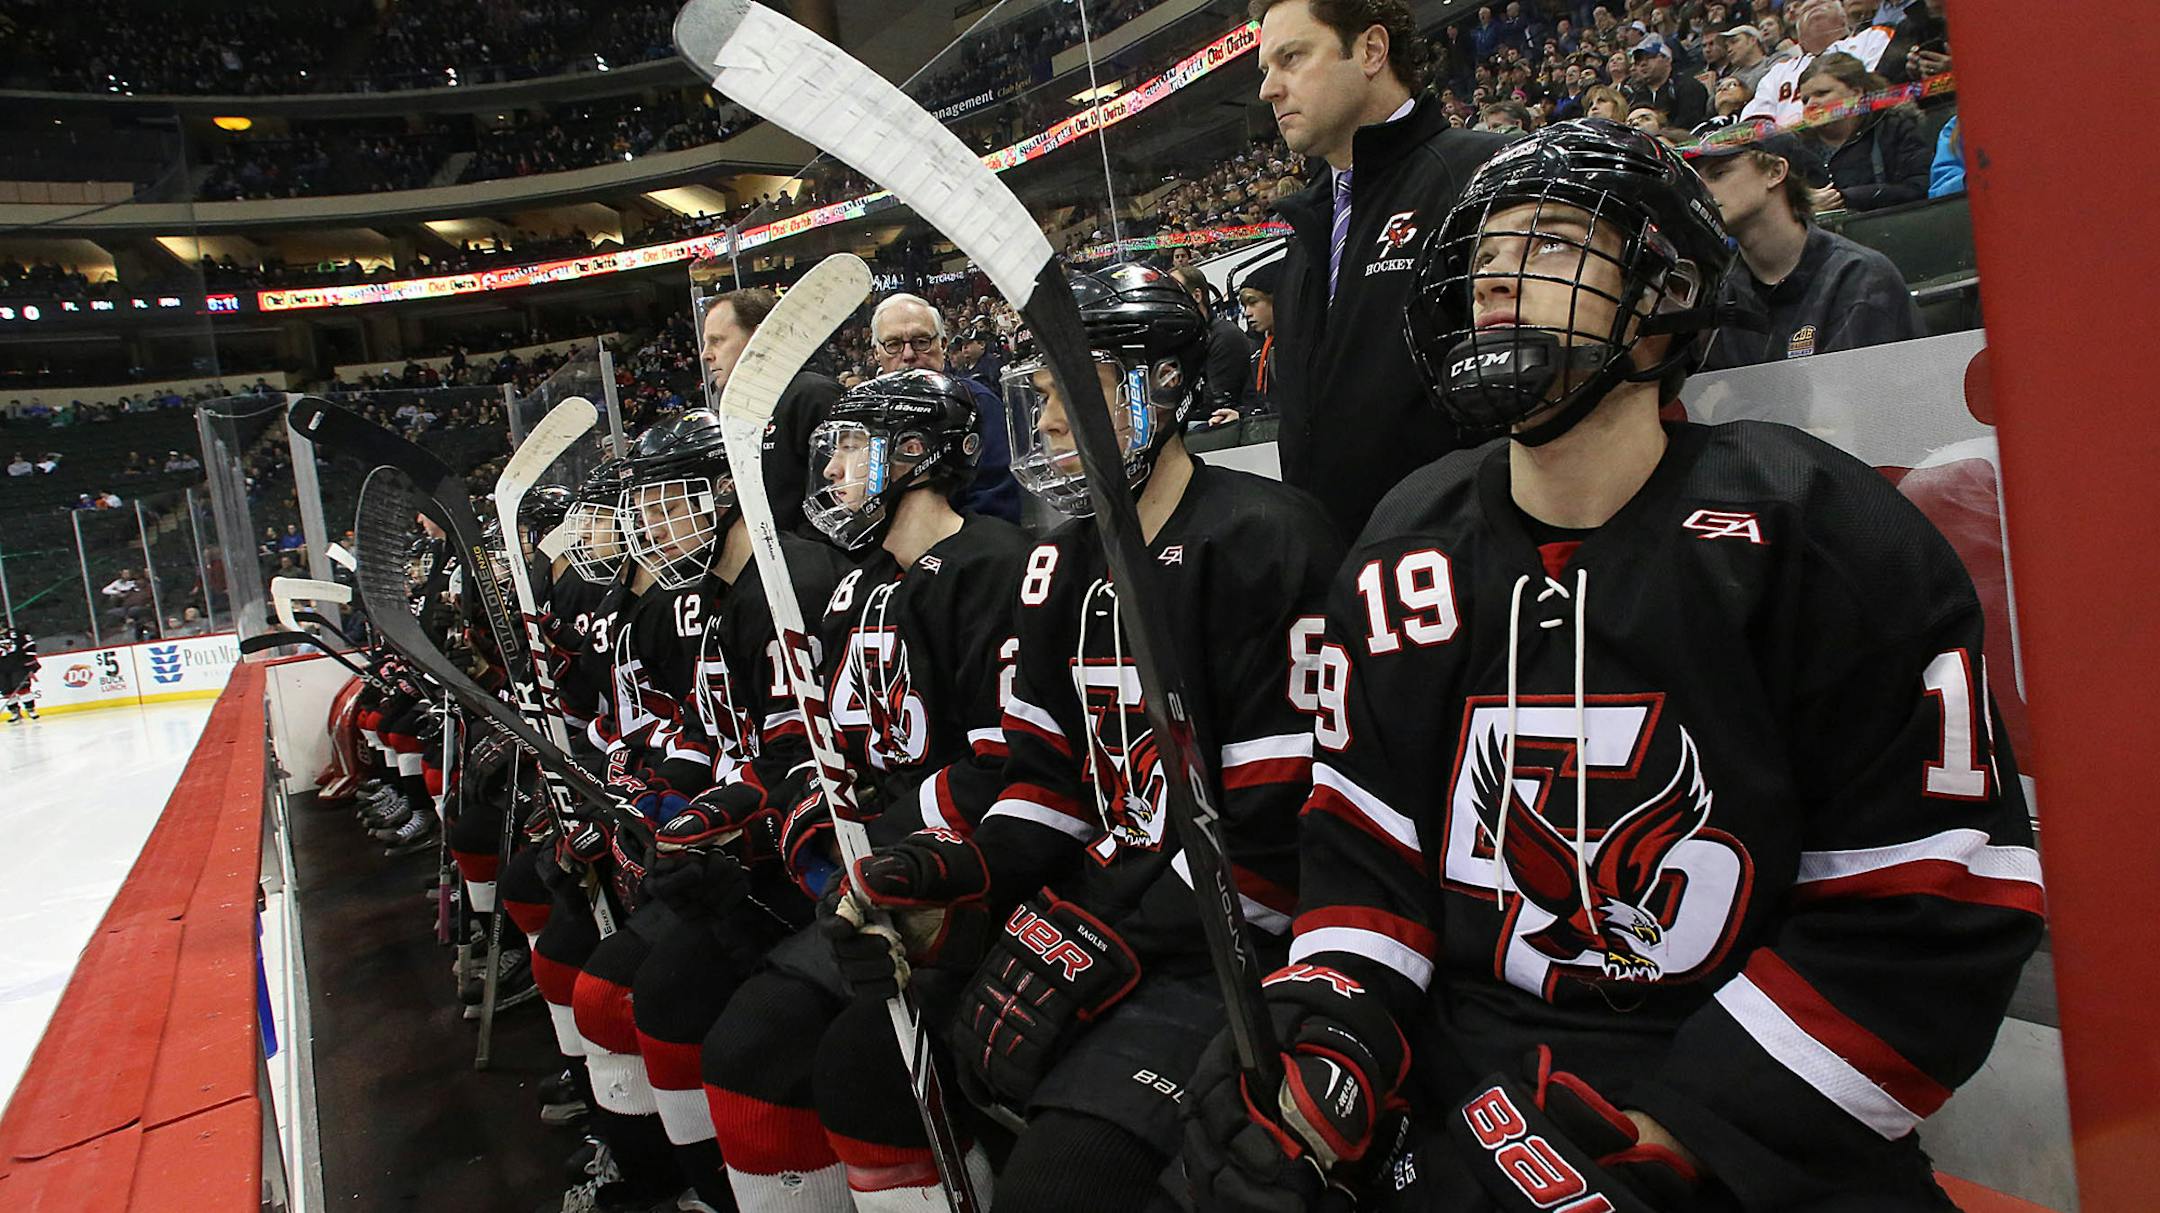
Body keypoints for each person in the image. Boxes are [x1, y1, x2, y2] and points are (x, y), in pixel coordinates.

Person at [1184, 117, 2042, 1211]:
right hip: (1473, 1072)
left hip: (1748, 1099)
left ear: (1665, 294)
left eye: (1546, 246)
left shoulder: (1817, 530)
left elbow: (1930, 892)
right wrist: (1336, 1036)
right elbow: (1366, 851)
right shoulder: (1408, 540)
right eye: (1484, 260)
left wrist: (1688, 1128)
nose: (1497, 283)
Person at [823, 261, 1344, 1211]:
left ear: (1169, 388)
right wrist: (965, 872)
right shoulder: (1054, 562)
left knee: (1058, 1188)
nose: (1053, 421)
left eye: (1082, 391)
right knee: (870, 1050)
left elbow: (1284, 830)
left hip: (1239, 945)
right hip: (1111, 903)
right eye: (1047, 394)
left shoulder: (1267, 539)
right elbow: (1046, 784)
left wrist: (1110, 925)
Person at [694, 369, 1029, 1211]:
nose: (834, 466)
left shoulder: (995, 564)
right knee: (744, 1041)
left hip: (970, 881)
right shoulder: (857, 582)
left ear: (914, 453)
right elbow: (827, 744)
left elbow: (1009, 763)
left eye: (852, 445)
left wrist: (881, 830)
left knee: (860, 1072)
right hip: (869, 877)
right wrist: (804, 803)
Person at [1254, 0, 1508, 538]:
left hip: (1466, 571)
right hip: (1344, 584)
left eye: (1291, 58)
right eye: (1266, 69)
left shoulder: (1482, 178)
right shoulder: (1309, 226)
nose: (1268, 89)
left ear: (1370, 51)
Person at [1693, 127, 1923, 369]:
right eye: (1698, 180)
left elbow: (1856, 398)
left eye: (1719, 173)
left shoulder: (1861, 277)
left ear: (1775, 171)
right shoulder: (1721, 296)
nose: (1703, 190)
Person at [698, 282, 845, 534]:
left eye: (717, 341)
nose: (705, 354)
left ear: (760, 339)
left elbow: (840, 504)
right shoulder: (737, 412)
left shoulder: (813, 396)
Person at [867, 292, 1023, 523]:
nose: (908, 355)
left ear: (943, 345)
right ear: (877, 353)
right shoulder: (866, 414)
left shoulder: (978, 402)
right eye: (893, 344)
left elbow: (995, 505)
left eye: (921, 341)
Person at [1794, 53, 1932, 212]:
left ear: (1856, 93)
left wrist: (1844, 198)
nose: (1811, 105)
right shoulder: (1795, 147)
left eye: (1822, 93)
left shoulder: (1894, 128)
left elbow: (1919, 187)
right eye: (1805, 100)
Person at [1743, 0, 1892, 125]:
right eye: (1806, 10)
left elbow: (1878, 89)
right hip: (1789, 148)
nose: (1813, 5)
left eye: (1823, 3)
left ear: (1844, 18)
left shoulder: (1873, 37)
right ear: (1798, 34)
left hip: (1860, 129)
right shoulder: (1778, 72)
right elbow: (1755, 123)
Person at [1169, 264, 1255, 426]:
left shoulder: (1224, 336)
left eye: (1174, 293)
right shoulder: (1182, 341)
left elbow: (1217, 406)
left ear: (1196, 296)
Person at [1625, 35, 1709, 129]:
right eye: (1638, 61)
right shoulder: (1635, 95)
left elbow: (1690, 125)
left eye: (1650, 57)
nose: (1642, 64)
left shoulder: (1689, 87)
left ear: (1667, 59)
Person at [1236, 259, 1283, 417]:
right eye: (1244, 306)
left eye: (1253, 302)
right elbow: (1258, 403)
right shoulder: (1259, 346)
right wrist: (1240, 416)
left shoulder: (1299, 344)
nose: (1247, 312)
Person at [0, 625, 39, 723]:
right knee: (6, 691)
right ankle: (15, 712)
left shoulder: (17, 633)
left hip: (19, 666)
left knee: (23, 688)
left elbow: (30, 646)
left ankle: (30, 709)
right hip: (1, 669)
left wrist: (31, 661)